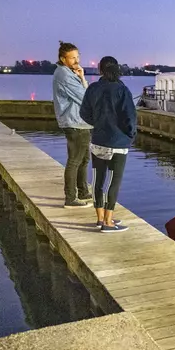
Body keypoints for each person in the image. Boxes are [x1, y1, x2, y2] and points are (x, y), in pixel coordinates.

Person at [80, 56, 136, 233]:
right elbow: (130, 117)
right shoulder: (122, 90)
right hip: (117, 142)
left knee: (98, 179)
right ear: (117, 69)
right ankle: (109, 222)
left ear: (100, 70)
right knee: (114, 181)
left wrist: (97, 123)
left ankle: (99, 218)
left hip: (97, 140)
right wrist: (130, 134)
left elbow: (84, 113)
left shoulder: (93, 88)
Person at [53, 41, 93, 208]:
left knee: (83, 160)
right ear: (63, 59)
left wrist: (82, 77)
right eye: (72, 58)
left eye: (77, 57)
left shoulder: (69, 72)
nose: (76, 60)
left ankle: (83, 191)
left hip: (80, 122)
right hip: (74, 122)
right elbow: (85, 97)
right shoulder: (64, 74)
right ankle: (70, 198)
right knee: (75, 160)